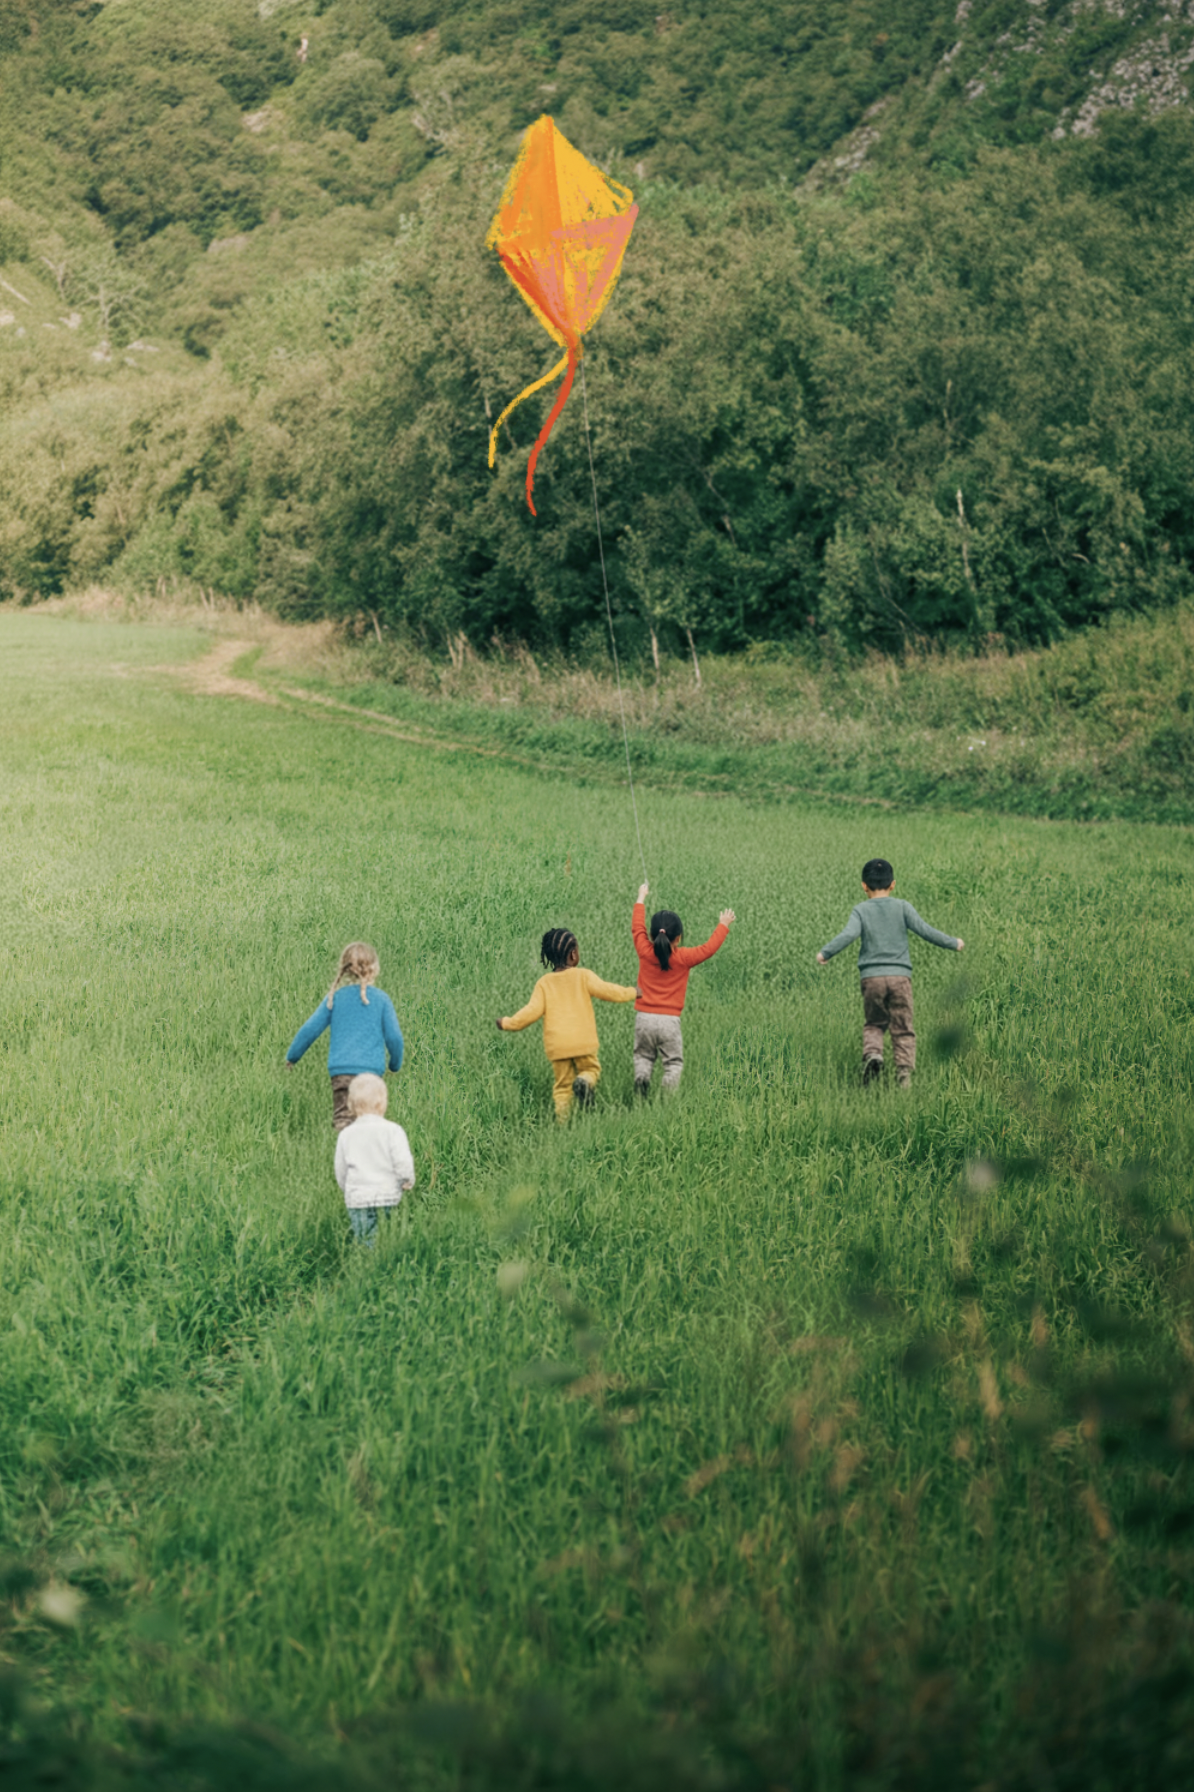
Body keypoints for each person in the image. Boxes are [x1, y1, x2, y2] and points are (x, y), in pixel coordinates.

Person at [817, 858, 963, 1088]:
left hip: (872, 978)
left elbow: (848, 934)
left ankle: (874, 1055)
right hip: (900, 977)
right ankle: (904, 1076)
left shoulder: (860, 910)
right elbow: (926, 930)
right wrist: (953, 942)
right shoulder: (902, 907)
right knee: (903, 1027)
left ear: (864, 885)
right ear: (893, 884)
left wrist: (825, 953)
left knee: (874, 1023)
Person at [497, 928, 638, 1120]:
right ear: (573, 954)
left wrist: (507, 1022)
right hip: (583, 1041)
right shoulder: (583, 976)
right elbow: (609, 991)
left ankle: (563, 1125)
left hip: (558, 1046)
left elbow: (530, 1012)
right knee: (590, 1070)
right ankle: (585, 1081)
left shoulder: (544, 983)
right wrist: (632, 992)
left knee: (562, 1087)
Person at [286, 942, 404, 1129]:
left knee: (344, 1124)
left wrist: (292, 1057)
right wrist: (394, 1065)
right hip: (371, 1075)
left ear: (344, 969)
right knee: (371, 1124)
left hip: (341, 1074)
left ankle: (346, 1157)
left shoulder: (335, 998)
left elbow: (310, 1029)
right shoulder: (381, 1000)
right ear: (374, 969)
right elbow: (395, 1038)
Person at [631, 883, 735, 1096]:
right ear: (678, 938)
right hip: (669, 1021)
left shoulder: (644, 950)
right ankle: (666, 1100)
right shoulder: (684, 957)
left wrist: (641, 897)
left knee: (643, 1057)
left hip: (644, 1018)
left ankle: (642, 1081)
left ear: (652, 936)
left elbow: (637, 927)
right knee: (673, 1064)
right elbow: (708, 949)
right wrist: (723, 925)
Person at [333, 1073, 414, 1246]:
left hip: (358, 1199)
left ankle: (367, 1261)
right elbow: (402, 1160)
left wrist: (347, 1188)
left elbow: (340, 1168)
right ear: (382, 1103)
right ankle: (383, 1264)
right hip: (388, 1195)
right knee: (386, 1237)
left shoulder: (346, 1135)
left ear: (351, 1105)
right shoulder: (393, 1131)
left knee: (364, 1238)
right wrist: (406, 1179)